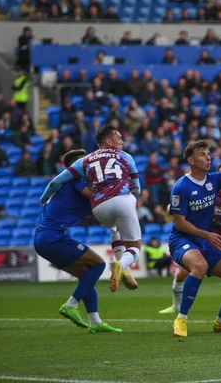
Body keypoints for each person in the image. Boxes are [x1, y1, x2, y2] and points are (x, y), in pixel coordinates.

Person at [168, 141, 221, 338]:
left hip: (204, 242)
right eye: (202, 154)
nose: (208, 157)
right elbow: (180, 223)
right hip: (181, 240)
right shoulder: (181, 187)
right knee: (199, 266)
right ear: (191, 160)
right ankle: (181, 318)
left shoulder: (214, 179)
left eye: (208, 154)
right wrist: (206, 235)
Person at [40, 124, 141, 293]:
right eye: (118, 137)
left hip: (99, 206)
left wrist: (43, 200)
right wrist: (131, 202)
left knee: (115, 228)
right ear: (108, 141)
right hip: (122, 200)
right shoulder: (126, 156)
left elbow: (55, 182)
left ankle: (124, 271)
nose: (122, 140)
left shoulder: (85, 160)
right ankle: (121, 265)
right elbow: (136, 187)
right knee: (135, 246)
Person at [34, 149, 121, 333]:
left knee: (85, 275)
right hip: (53, 237)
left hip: (43, 238)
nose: (90, 163)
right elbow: (96, 197)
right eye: (85, 161)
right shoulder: (77, 181)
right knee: (98, 265)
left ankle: (95, 322)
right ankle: (71, 305)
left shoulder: (70, 184)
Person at [159, 163, 221, 315]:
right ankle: (177, 306)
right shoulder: (208, 191)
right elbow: (175, 209)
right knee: (183, 273)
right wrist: (171, 209)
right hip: (202, 239)